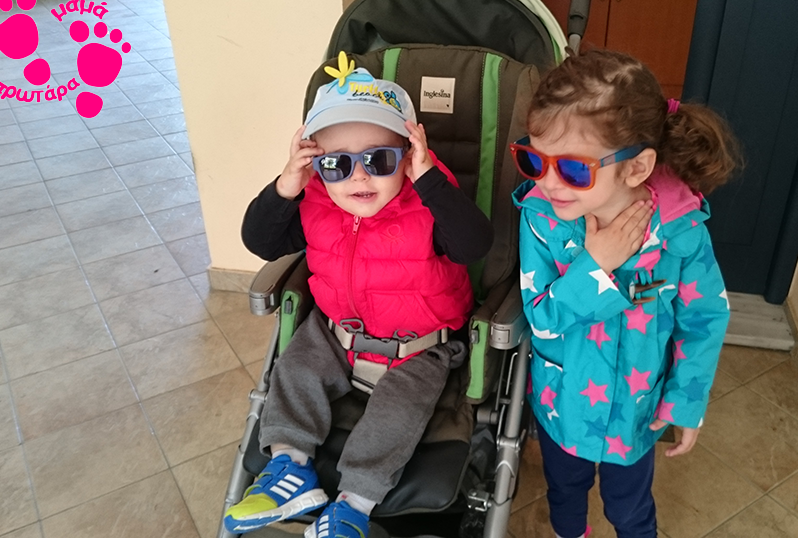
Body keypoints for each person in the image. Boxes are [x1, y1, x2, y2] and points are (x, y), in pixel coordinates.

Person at [226, 54, 493, 536]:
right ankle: (290, 467)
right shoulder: (314, 202)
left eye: (379, 160)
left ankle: (354, 505)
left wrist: (428, 179)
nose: (359, 177)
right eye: (336, 164)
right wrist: (286, 187)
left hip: (418, 348)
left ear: (408, 157)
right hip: (335, 333)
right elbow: (261, 242)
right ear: (315, 164)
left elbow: (474, 244)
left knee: (396, 416)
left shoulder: (430, 205)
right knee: (294, 370)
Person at [511, 49, 739, 538]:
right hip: (562, 403)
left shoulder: (679, 231)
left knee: (630, 510)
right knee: (564, 494)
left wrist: (686, 401)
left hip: (635, 411)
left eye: (573, 169)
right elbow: (542, 318)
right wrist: (594, 266)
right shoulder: (542, 219)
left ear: (636, 169)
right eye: (533, 159)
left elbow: (704, 318)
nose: (547, 182)